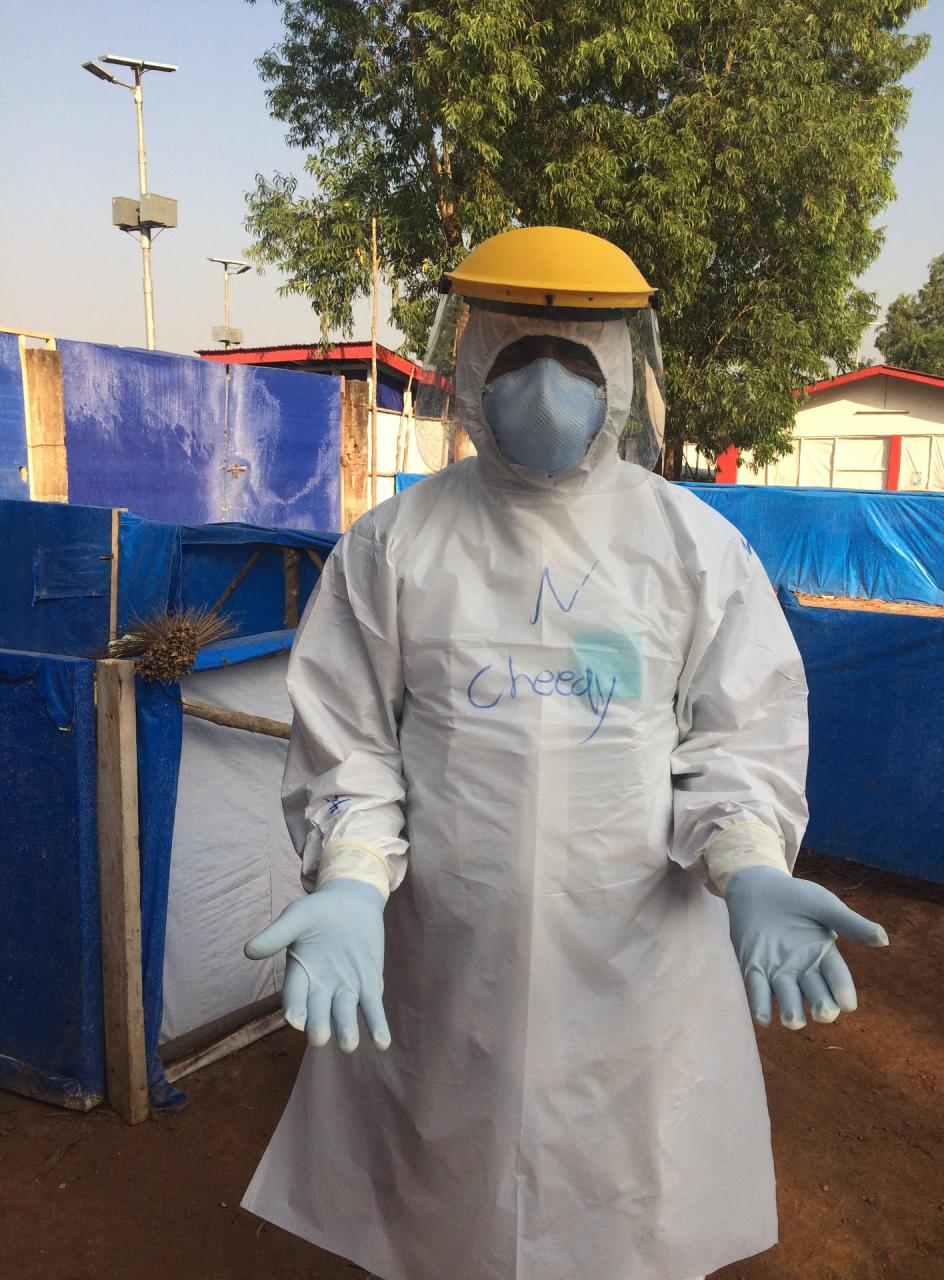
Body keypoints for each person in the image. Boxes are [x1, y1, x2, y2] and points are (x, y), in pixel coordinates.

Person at [242, 226, 888, 1280]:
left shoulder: (692, 547)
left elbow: (740, 734)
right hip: (446, 965)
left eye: (580, 356)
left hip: (637, 975)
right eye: (516, 352)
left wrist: (753, 863)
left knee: (623, 1207)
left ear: (626, 370)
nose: (546, 382)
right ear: (467, 360)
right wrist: (354, 874)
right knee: (446, 1209)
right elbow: (349, 740)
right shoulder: (394, 544)